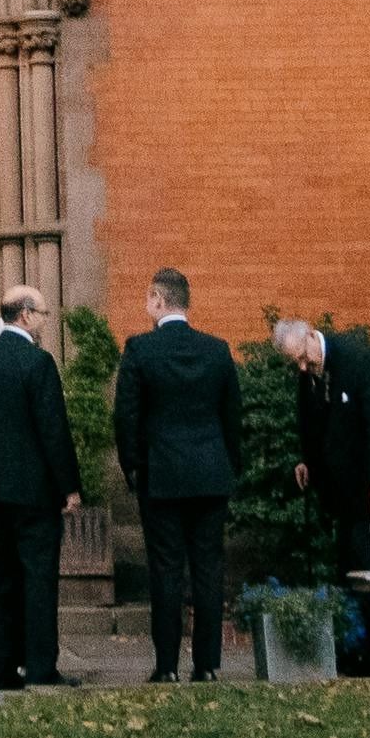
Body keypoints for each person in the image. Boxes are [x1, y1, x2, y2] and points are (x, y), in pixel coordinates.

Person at [109, 267, 241, 682]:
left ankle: (166, 666)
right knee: (208, 567)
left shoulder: (141, 350)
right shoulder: (217, 350)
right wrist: (229, 466)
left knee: (164, 569)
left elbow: (126, 415)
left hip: (161, 476)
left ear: (158, 300)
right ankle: (207, 665)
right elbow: (232, 417)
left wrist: (132, 467)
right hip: (210, 474)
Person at [275, 314, 370, 676]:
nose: (303, 367)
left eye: (304, 357)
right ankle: (356, 651)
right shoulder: (307, 372)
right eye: (296, 363)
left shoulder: (355, 359)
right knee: (347, 569)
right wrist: (307, 462)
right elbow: (311, 422)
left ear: (310, 335)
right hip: (343, 490)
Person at [0, 284, 81, 690]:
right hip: (33, 493)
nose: (46, 322)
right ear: (26, 315)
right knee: (38, 579)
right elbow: (53, 430)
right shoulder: (38, 363)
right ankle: (40, 666)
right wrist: (69, 486)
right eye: (44, 314)